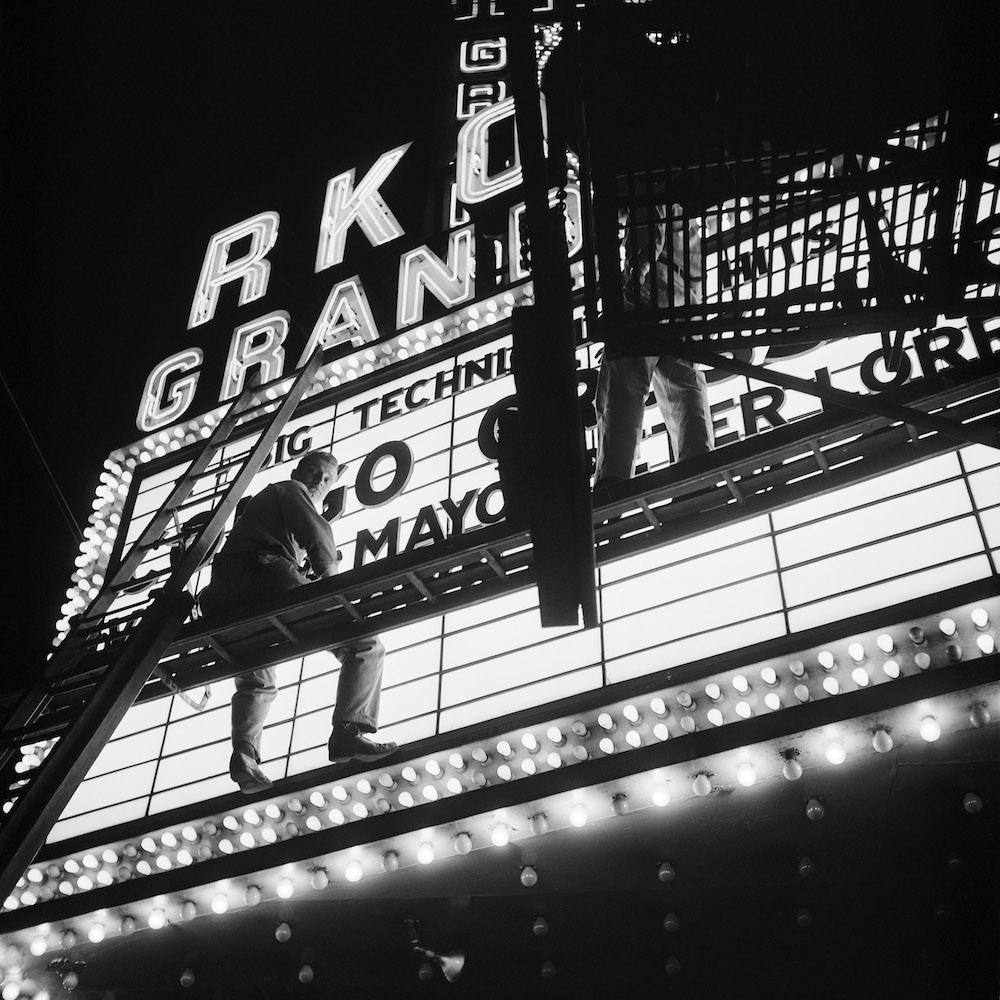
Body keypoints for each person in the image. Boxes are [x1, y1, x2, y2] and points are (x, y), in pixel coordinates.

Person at [199, 450, 396, 794]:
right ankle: (348, 733)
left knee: (256, 677)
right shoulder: (288, 490)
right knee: (364, 642)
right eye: (315, 472)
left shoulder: (267, 512)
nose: (320, 482)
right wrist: (334, 586)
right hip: (264, 576)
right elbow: (317, 535)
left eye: (328, 479)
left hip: (223, 600)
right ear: (297, 471)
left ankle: (244, 757)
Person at [593, 200, 715, 490]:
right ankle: (698, 465)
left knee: (624, 382)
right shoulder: (686, 219)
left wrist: (638, 271)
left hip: (652, 284)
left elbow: (647, 220)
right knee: (684, 386)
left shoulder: (653, 191)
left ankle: (614, 477)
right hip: (686, 302)